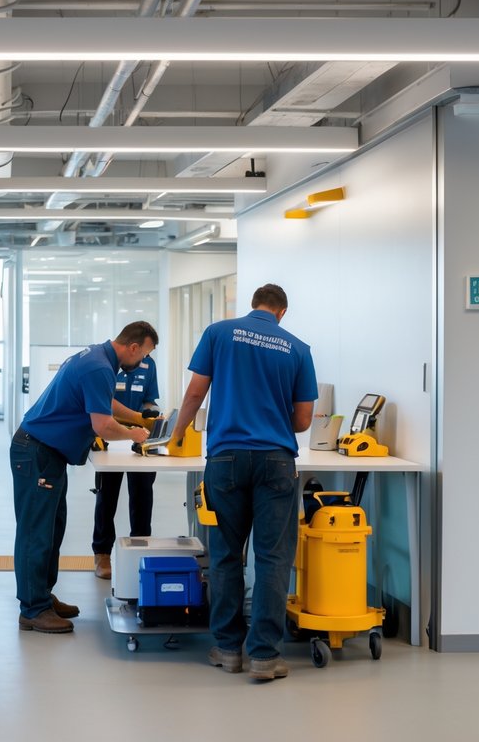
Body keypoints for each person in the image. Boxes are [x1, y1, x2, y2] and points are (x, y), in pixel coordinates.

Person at [170, 283, 316, 680]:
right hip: (277, 462)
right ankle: (266, 656)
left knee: (226, 555)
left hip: (226, 460)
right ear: (281, 312)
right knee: (272, 558)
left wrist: (178, 434)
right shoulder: (298, 349)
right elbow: (303, 420)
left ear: (253, 306)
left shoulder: (219, 333)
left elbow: (195, 394)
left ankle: (227, 649)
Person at [11, 322, 157, 634]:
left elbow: (104, 402)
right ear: (133, 347)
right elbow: (103, 424)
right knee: (36, 531)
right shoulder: (99, 368)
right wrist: (133, 433)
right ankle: (32, 609)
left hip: (48, 454)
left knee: (52, 528)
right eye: (144, 354)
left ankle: (42, 598)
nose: (143, 361)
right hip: (36, 452)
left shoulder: (98, 360)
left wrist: (137, 417)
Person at [91, 352, 160, 579]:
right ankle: (102, 553)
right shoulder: (110, 364)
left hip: (139, 435)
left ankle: (140, 548)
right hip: (111, 432)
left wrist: (152, 412)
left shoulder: (149, 364)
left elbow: (150, 399)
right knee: (107, 496)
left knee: (142, 495)